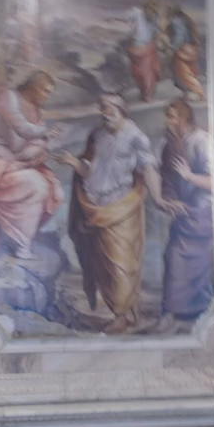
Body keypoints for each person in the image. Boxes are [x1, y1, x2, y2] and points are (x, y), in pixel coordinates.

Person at [57, 94, 182, 333]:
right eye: (101, 108)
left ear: (120, 109)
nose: (103, 113)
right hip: (97, 206)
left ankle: (123, 315)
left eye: (107, 108)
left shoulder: (135, 137)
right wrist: (72, 161)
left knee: (121, 263)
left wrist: (158, 198)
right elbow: (88, 171)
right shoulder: (97, 135)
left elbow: (148, 168)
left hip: (122, 207)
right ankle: (123, 314)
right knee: (103, 264)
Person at [0, 70, 64, 260]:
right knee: (37, 186)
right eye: (45, 91)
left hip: (17, 164)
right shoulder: (7, 97)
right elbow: (20, 126)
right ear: (33, 87)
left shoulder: (36, 112)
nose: (46, 96)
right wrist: (45, 133)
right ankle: (21, 244)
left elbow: (38, 142)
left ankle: (21, 238)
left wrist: (36, 149)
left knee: (57, 193)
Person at [154, 99, 214, 332]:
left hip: (203, 212)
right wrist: (170, 200)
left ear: (184, 118)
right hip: (185, 213)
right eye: (167, 117)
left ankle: (189, 313)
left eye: (172, 117)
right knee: (172, 257)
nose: (168, 122)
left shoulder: (202, 142)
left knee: (189, 262)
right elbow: (168, 180)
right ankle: (171, 313)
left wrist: (189, 177)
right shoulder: (170, 146)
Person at [164, 2, 206, 101]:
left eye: (166, 11)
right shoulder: (184, 19)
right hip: (190, 48)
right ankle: (190, 93)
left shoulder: (174, 21)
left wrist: (172, 46)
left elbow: (180, 36)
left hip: (182, 49)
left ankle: (198, 92)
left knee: (182, 73)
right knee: (188, 72)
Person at [125, 0, 163, 102]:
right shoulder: (137, 13)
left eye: (153, 11)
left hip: (148, 50)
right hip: (136, 49)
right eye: (150, 9)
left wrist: (156, 43)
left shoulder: (155, 18)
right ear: (146, 8)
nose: (151, 13)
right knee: (137, 73)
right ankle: (143, 92)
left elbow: (157, 32)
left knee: (149, 73)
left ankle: (148, 94)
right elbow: (128, 21)